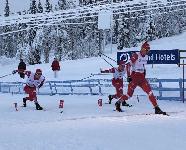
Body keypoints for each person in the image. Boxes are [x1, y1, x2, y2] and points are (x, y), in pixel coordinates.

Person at [114, 41, 166, 115]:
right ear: (142, 49)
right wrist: (129, 76)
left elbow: (142, 66)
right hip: (134, 77)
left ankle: (156, 108)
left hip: (141, 78)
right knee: (129, 95)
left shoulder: (146, 57)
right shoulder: (136, 55)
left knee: (150, 92)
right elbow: (128, 65)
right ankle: (118, 102)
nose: (147, 52)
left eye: (148, 50)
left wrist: (144, 73)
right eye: (146, 50)